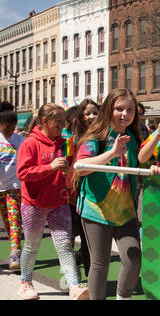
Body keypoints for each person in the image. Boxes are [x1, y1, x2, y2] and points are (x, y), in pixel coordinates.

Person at [73, 88, 142, 300]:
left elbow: (141, 165)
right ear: (109, 110)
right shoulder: (96, 135)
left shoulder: (133, 136)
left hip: (126, 211)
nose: (125, 114)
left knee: (133, 259)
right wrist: (112, 153)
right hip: (96, 209)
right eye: (119, 108)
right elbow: (80, 167)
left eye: (130, 109)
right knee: (100, 264)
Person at [16, 103, 88, 300]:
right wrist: (50, 167)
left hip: (59, 202)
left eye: (64, 120)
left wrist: (69, 173)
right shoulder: (30, 143)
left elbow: (70, 171)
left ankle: (74, 286)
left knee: (65, 244)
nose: (63, 124)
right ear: (45, 121)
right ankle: (25, 283)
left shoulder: (65, 143)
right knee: (31, 246)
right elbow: (22, 173)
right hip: (33, 203)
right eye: (59, 120)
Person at [68, 98, 100, 278]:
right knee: (73, 235)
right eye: (87, 113)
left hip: (99, 193)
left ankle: (90, 276)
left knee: (90, 242)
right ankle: (72, 273)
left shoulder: (105, 136)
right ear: (80, 117)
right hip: (77, 193)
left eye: (95, 112)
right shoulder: (74, 139)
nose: (92, 116)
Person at [0, 102, 25, 270]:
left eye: (12, 129)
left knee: (14, 219)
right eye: (7, 129)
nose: (10, 132)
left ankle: (15, 252)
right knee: (6, 219)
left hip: (14, 185)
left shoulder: (19, 140)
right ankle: (14, 246)